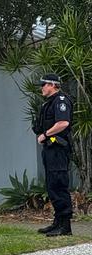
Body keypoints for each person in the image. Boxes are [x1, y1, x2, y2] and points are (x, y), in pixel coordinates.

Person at [34, 74, 73, 236]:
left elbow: (63, 123)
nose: (42, 88)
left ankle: (65, 226)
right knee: (52, 186)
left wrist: (45, 134)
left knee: (58, 184)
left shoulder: (61, 101)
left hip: (58, 149)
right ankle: (57, 222)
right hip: (50, 149)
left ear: (52, 85)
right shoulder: (50, 102)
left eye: (44, 85)